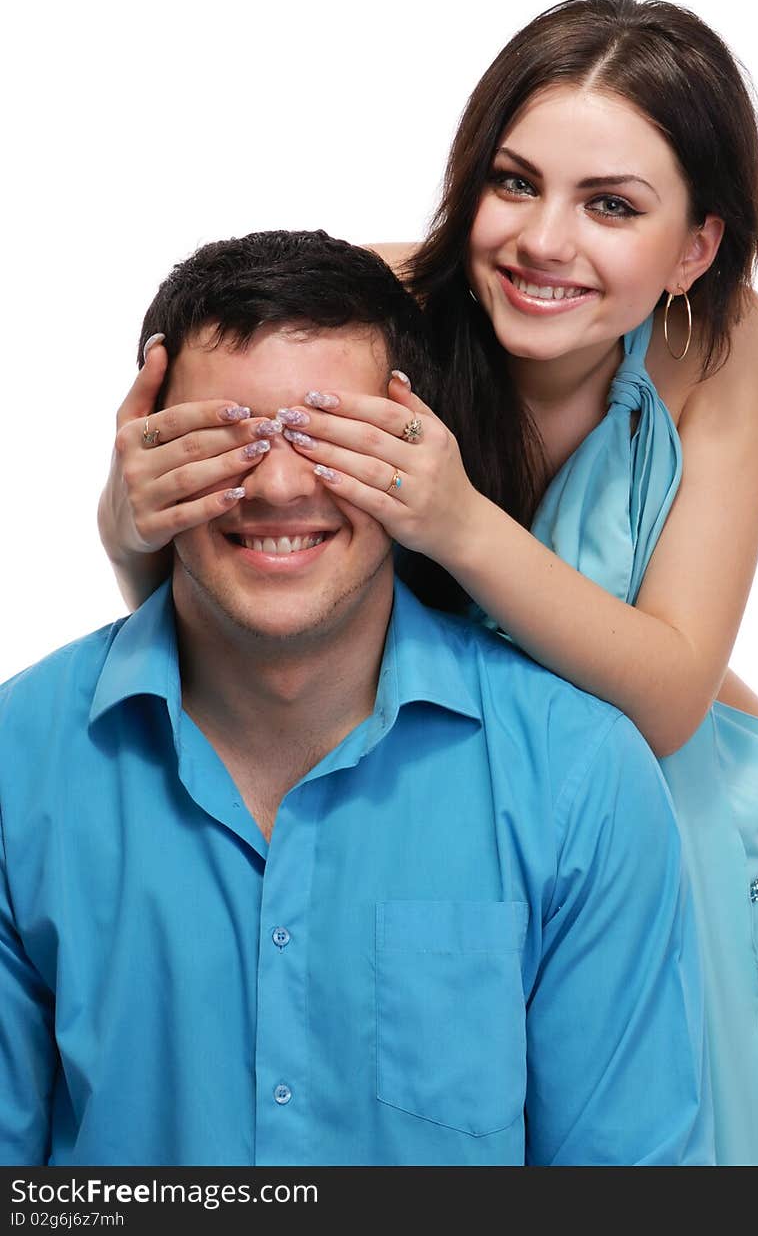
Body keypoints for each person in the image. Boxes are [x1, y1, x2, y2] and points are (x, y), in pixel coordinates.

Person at [97, 0, 758, 1166]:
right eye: (514, 183)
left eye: (610, 204)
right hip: (459, 831)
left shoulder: (722, 340)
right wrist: (123, 520)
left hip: (704, 841)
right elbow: (235, 595)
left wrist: (457, 522)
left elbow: (667, 698)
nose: (543, 240)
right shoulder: (371, 306)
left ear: (695, 247)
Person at [0, 229, 713, 1167]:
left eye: (330, 434)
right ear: (149, 457)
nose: (281, 485)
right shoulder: (22, 763)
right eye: (229, 438)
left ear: (418, 456)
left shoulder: (580, 779)